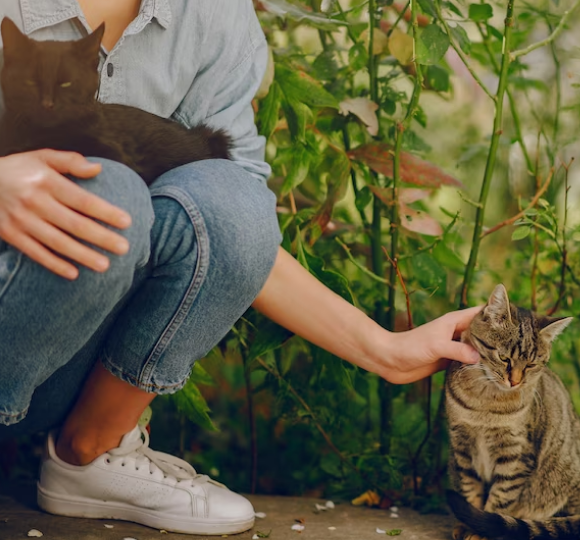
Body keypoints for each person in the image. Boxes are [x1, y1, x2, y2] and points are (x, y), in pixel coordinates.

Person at [0, 0, 481, 535]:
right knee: (108, 187)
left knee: (225, 196)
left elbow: (230, 232)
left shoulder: (210, 14)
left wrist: (386, 350)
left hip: (68, 364)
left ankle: (88, 453)